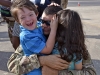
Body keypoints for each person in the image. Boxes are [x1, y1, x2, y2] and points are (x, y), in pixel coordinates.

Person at [7, 5, 97, 75]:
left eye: (48, 22)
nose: (43, 25)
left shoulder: (71, 43)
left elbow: (91, 72)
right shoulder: (35, 39)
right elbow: (12, 64)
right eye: (42, 21)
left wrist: (58, 73)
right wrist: (41, 60)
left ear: (60, 24)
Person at [10, 0, 59, 75]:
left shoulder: (37, 25)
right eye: (23, 17)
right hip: (35, 71)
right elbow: (47, 50)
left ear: (36, 14)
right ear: (18, 21)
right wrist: (53, 30)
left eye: (30, 15)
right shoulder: (27, 36)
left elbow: (45, 17)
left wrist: (53, 8)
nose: (28, 19)